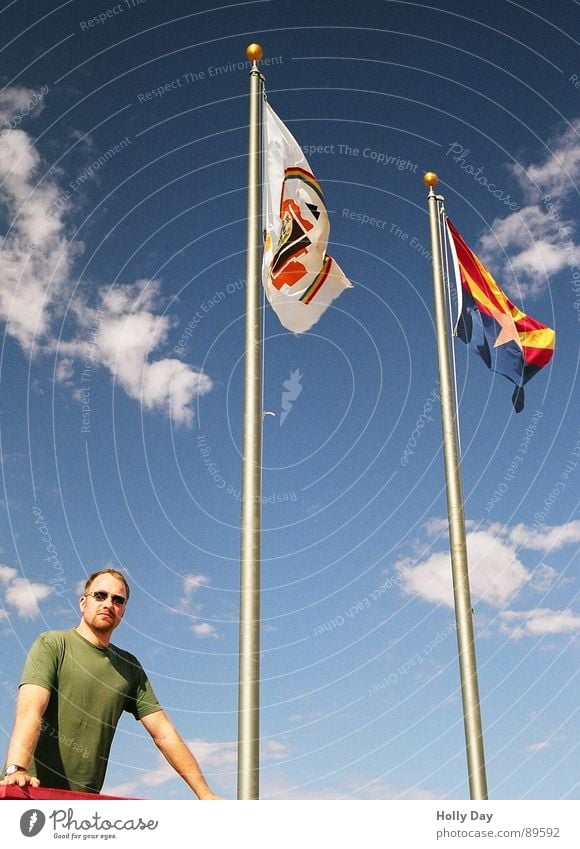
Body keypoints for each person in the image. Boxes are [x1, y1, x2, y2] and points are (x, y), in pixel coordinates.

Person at [1, 568, 221, 799]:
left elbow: (163, 731)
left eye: (118, 600)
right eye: (100, 595)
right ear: (83, 602)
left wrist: (205, 794)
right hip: (27, 793)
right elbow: (30, 708)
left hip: (83, 803)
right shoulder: (53, 644)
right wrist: (17, 768)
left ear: (123, 611)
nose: (109, 604)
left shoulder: (129, 667)